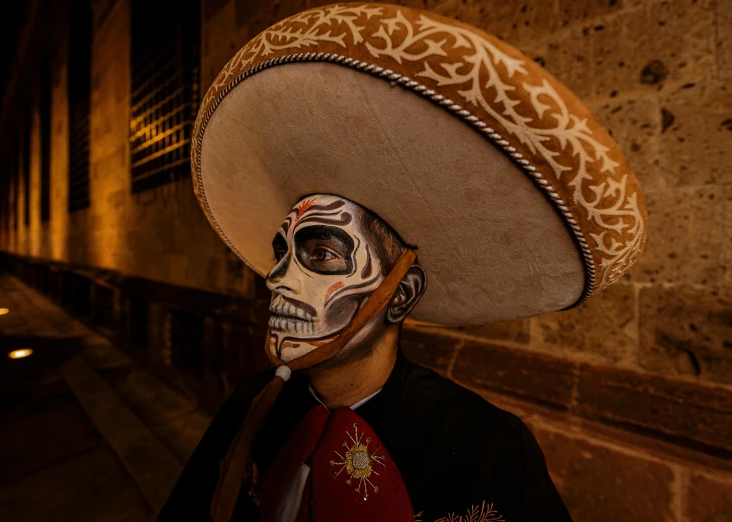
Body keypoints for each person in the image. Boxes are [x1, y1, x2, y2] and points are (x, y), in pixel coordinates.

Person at [159, 3, 647, 521]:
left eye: (321, 254)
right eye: (283, 253)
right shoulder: (250, 408)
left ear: (402, 294)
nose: (276, 278)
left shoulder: (488, 448)